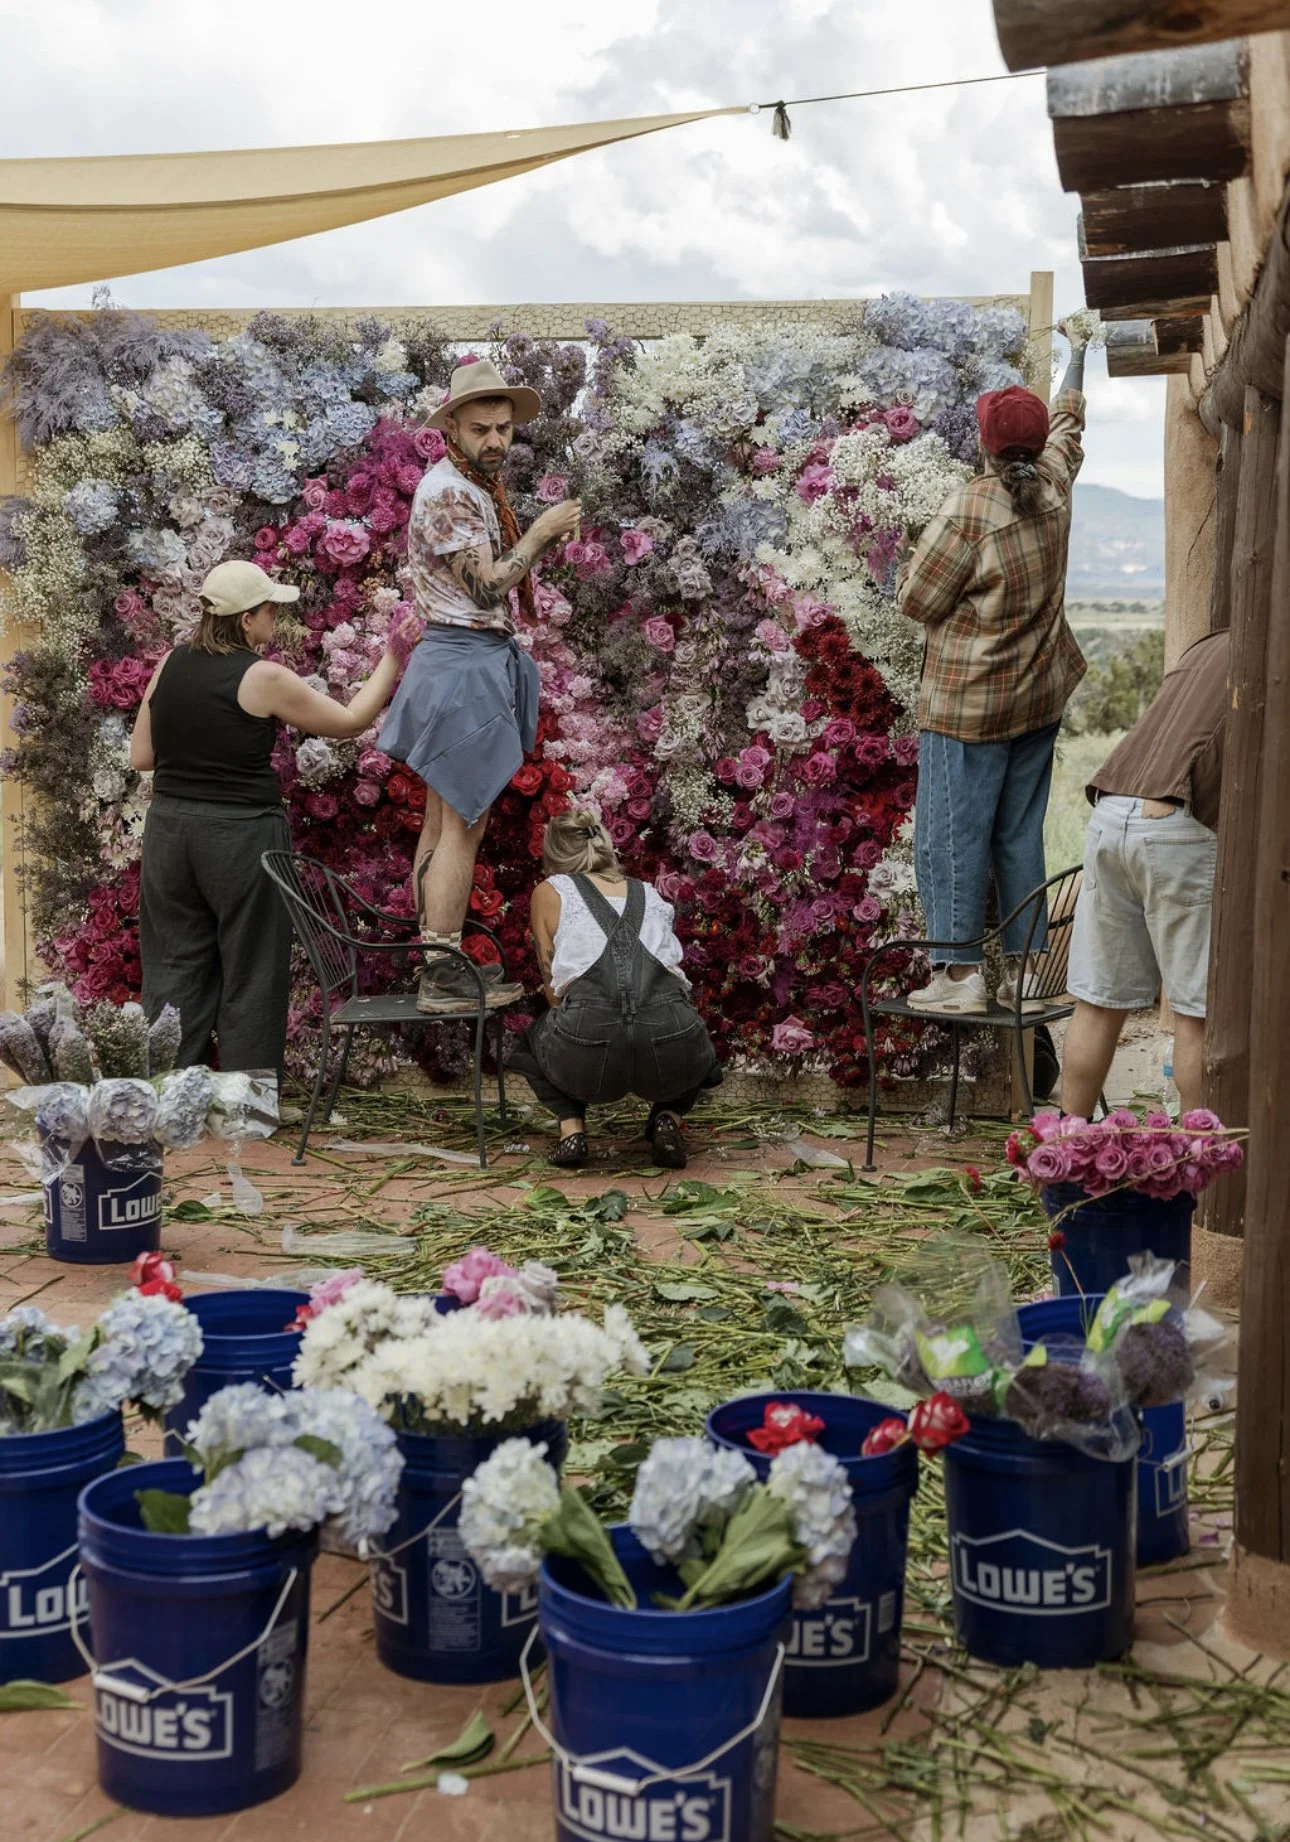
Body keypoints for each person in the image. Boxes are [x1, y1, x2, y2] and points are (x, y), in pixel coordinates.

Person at [130, 558, 410, 1075]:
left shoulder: (170, 662)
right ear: (244, 619)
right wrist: (394, 655)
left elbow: (142, 757)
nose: (273, 620)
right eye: (268, 611)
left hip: (169, 832)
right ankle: (245, 1107)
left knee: (172, 965)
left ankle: (168, 1097)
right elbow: (348, 722)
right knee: (252, 967)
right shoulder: (261, 676)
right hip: (239, 835)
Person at [896, 321, 1090, 1014]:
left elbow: (916, 599)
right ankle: (1031, 973)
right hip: (1037, 698)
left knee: (952, 837)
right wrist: (1080, 353)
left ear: (982, 443)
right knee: (1016, 834)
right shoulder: (1057, 484)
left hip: (969, 707)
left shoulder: (972, 508)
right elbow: (1070, 422)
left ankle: (959, 978)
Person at [380, 358, 583, 1014]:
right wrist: (545, 534)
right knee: (462, 823)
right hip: (462, 667)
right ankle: (440, 974)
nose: (496, 440)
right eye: (481, 429)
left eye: (504, 429)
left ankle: (435, 963)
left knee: (443, 822)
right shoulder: (449, 492)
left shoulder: (468, 485)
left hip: (462, 663)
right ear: (451, 430)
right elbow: (488, 585)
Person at [1061, 629, 1230, 1119]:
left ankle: (1062, 1157)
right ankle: (1199, 1174)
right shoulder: (1272, 651)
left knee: (1097, 1001)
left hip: (1113, 808)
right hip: (1179, 818)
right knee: (1196, 1013)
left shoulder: (1210, 642)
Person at [509, 810, 722, 1170]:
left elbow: (553, 992)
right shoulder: (649, 894)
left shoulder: (550, 892)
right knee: (700, 1051)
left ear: (554, 854)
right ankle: (667, 1118)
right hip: (668, 1047)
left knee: (531, 1043)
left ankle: (572, 1129)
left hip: (589, 1048)